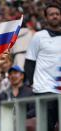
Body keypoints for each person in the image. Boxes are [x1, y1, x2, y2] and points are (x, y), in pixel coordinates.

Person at [24, 3, 61, 131]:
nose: (55, 16)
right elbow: (29, 62)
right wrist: (34, 83)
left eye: (57, 14)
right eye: (51, 14)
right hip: (45, 89)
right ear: (46, 18)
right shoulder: (38, 36)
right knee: (46, 127)